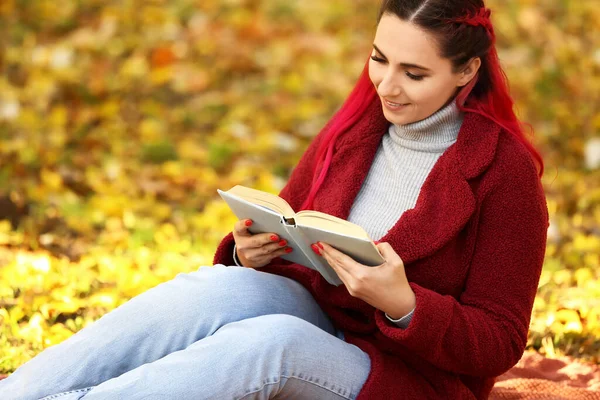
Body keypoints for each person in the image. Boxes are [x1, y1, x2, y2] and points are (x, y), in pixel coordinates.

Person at [0, 0, 549, 399]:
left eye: (414, 73)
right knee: (219, 287)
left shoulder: (505, 174)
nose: (386, 86)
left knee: (273, 340)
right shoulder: (360, 127)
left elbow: (499, 341)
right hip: (324, 316)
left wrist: (405, 305)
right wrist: (249, 249)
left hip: (410, 375)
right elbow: (291, 219)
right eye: (379, 59)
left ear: (467, 71)